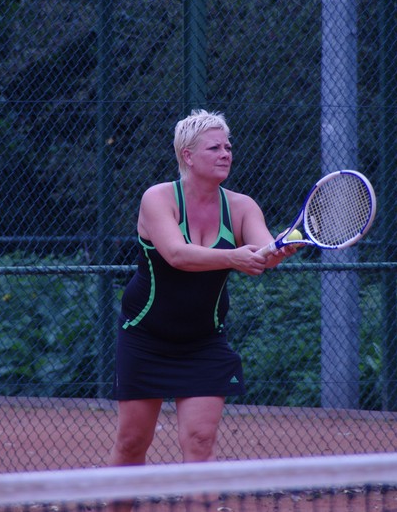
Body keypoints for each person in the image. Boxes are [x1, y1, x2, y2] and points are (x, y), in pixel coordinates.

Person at [109, 109, 299, 474]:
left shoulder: (242, 207)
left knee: (199, 442)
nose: (225, 154)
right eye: (214, 148)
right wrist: (233, 257)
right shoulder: (158, 198)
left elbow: (263, 256)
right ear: (188, 156)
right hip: (144, 339)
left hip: (203, 343)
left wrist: (279, 250)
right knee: (132, 443)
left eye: (228, 147)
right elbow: (177, 255)